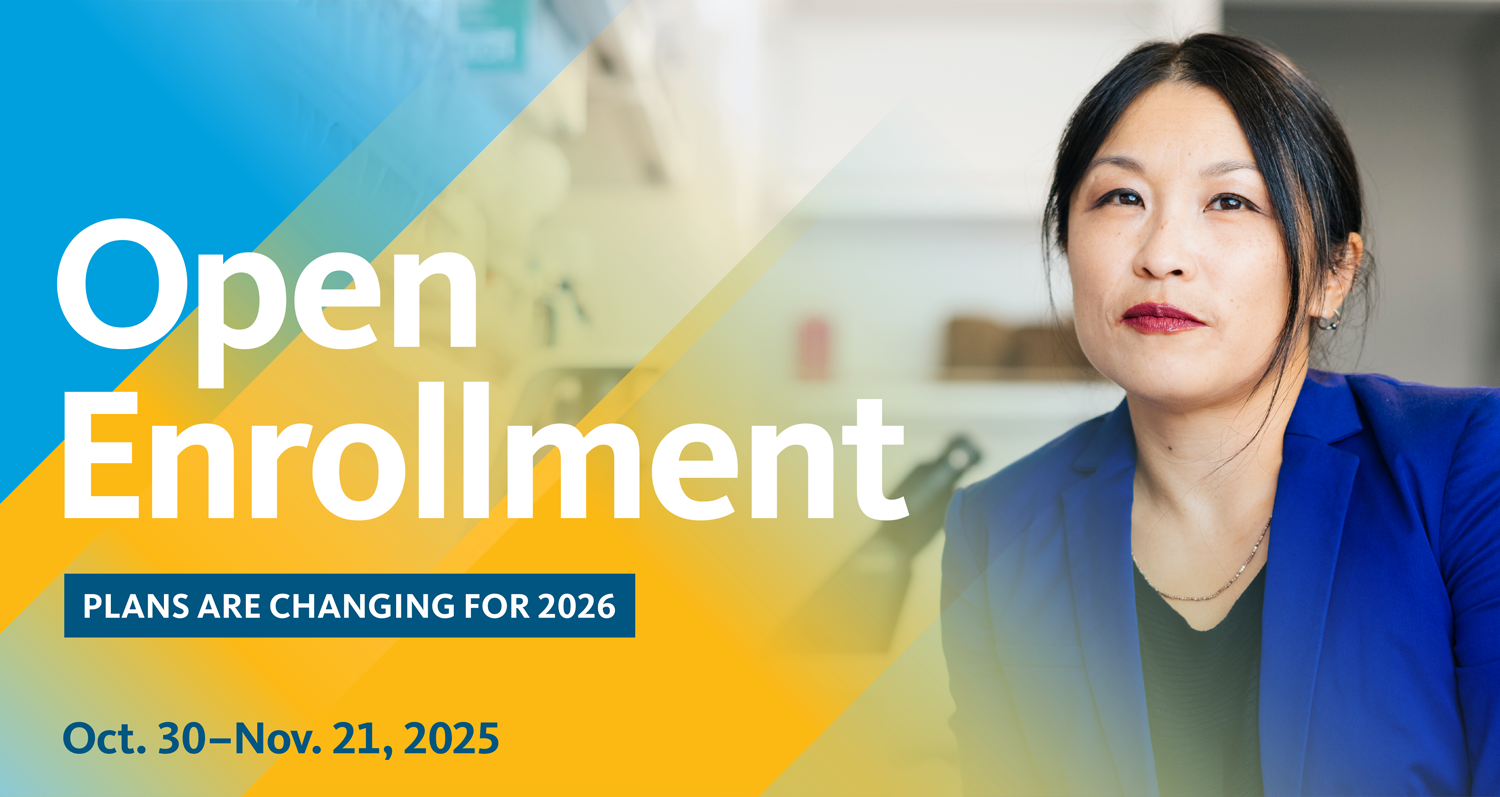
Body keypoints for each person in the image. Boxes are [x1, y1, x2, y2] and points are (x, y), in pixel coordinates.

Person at [940, 33, 1500, 797]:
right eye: (1121, 197)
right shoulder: (998, 526)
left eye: (1230, 201)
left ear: (1331, 275)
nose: (1162, 253)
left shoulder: (1463, 468)